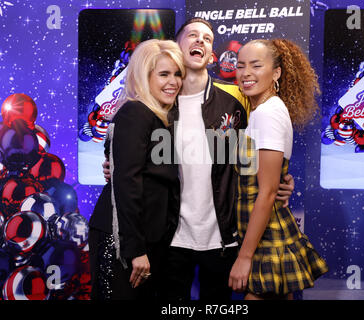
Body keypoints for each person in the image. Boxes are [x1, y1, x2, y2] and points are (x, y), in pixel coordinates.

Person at [103, 18, 295, 301]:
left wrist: (281, 182)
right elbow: (130, 161)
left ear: (212, 53)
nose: (200, 41)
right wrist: (114, 167)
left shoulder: (234, 103)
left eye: (207, 38)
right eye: (192, 35)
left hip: (221, 237)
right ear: (176, 48)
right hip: (169, 238)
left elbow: (253, 160)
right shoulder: (159, 104)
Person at [228, 39, 328, 300]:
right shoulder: (266, 109)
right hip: (263, 231)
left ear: (277, 73)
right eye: (240, 66)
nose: (246, 73)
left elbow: (268, 192)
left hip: (266, 233)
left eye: (256, 65)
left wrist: (244, 256)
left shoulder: (267, 114)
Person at [88, 39, 185, 300]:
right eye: (164, 74)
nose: (173, 81)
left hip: (144, 239)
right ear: (144, 75)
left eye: (177, 74)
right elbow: (127, 184)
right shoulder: (135, 113)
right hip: (122, 240)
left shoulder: (162, 116)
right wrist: (135, 249)